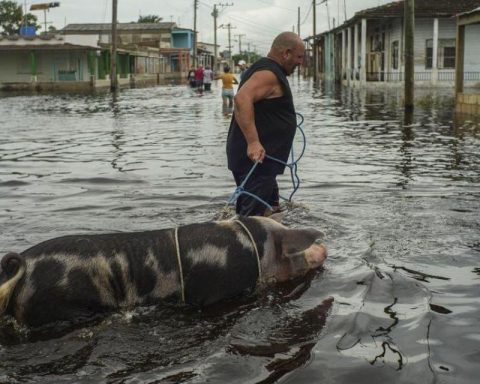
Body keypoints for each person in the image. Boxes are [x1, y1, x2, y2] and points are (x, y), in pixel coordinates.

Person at [226, 31, 305, 217]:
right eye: (299, 57)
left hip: (262, 162)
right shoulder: (268, 74)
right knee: (252, 221)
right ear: (286, 53)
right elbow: (241, 98)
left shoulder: (264, 69)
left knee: (271, 211)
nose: (301, 62)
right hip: (255, 161)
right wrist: (253, 142)